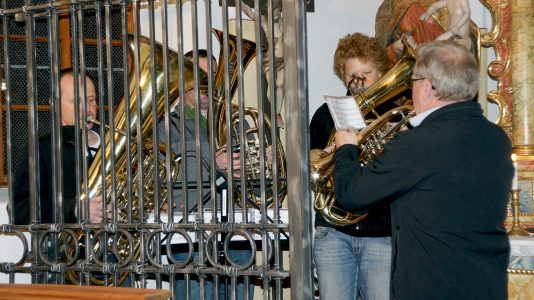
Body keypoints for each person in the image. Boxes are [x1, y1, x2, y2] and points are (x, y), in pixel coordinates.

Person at [333, 40, 512, 299]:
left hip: (432, 287)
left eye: (413, 81)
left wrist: (346, 149)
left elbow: (351, 194)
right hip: (486, 285)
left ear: (428, 87)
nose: (410, 88)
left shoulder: (420, 143)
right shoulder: (496, 137)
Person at [158, 50, 254, 300]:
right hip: (190, 229)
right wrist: (213, 159)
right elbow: (164, 167)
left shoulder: (235, 121)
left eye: (212, 75)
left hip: (237, 226)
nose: (207, 82)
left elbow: (254, 174)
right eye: (198, 75)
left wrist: (260, 157)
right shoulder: (164, 123)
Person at [309, 32, 392, 300]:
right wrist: (331, 155)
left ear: (381, 73)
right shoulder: (325, 114)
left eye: (366, 72)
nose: (358, 81)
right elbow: (310, 165)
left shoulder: (395, 115)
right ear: (342, 76)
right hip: (333, 231)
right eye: (350, 74)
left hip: (381, 230)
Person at [11, 68, 104, 225]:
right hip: (67, 247)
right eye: (76, 101)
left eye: (91, 99)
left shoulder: (113, 141)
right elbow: (19, 209)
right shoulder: (42, 148)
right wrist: (74, 209)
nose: (87, 109)